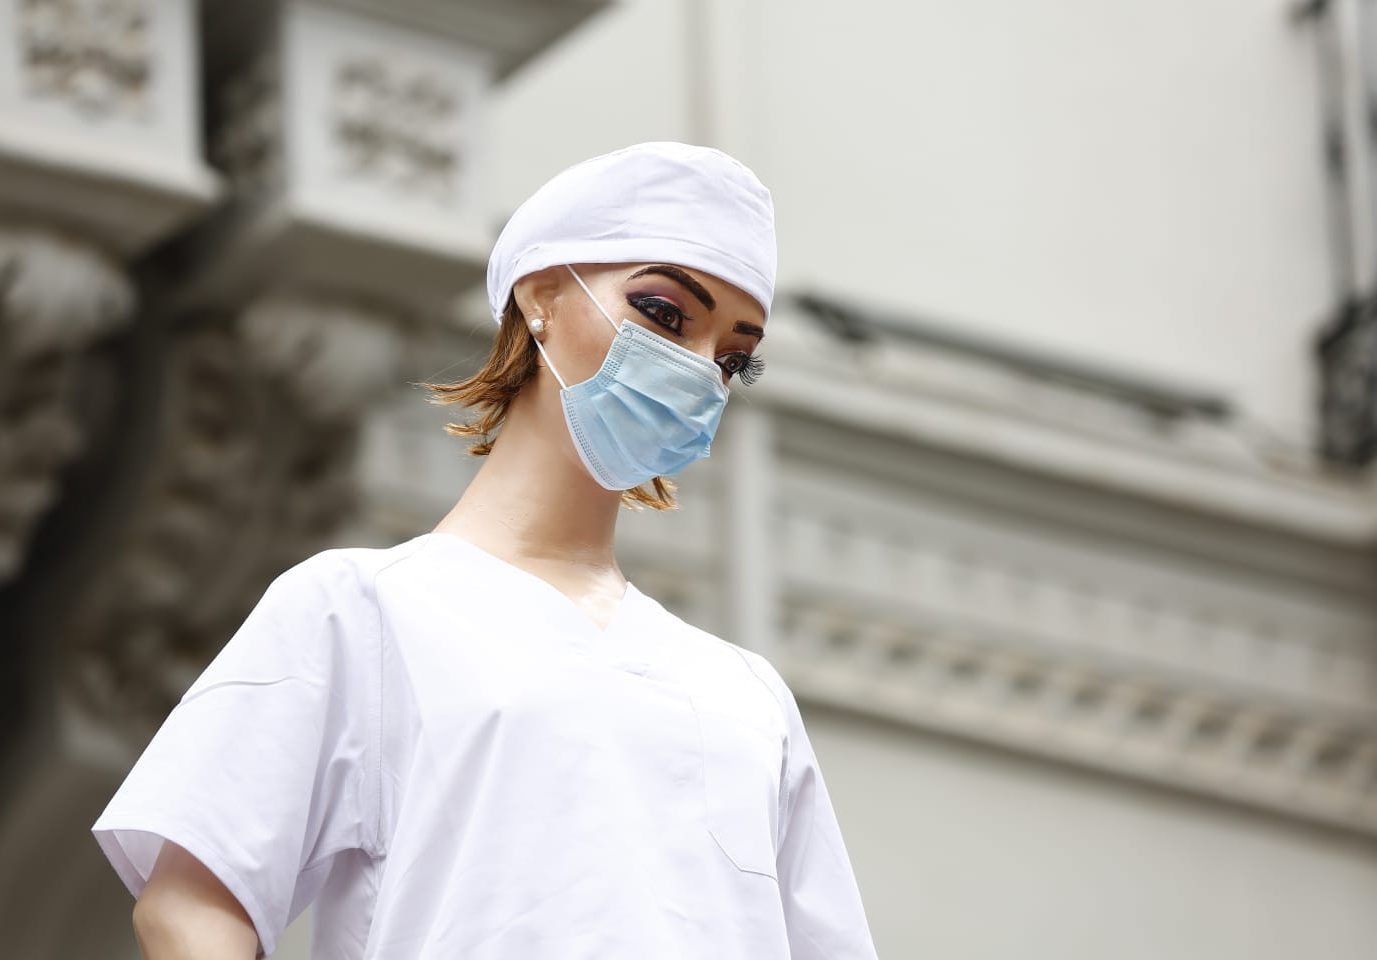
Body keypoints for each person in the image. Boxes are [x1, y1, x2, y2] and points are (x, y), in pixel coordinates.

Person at [92, 141, 878, 959]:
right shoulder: (361, 611)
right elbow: (193, 908)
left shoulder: (748, 700)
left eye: (734, 359)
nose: (697, 371)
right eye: (665, 314)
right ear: (542, 296)